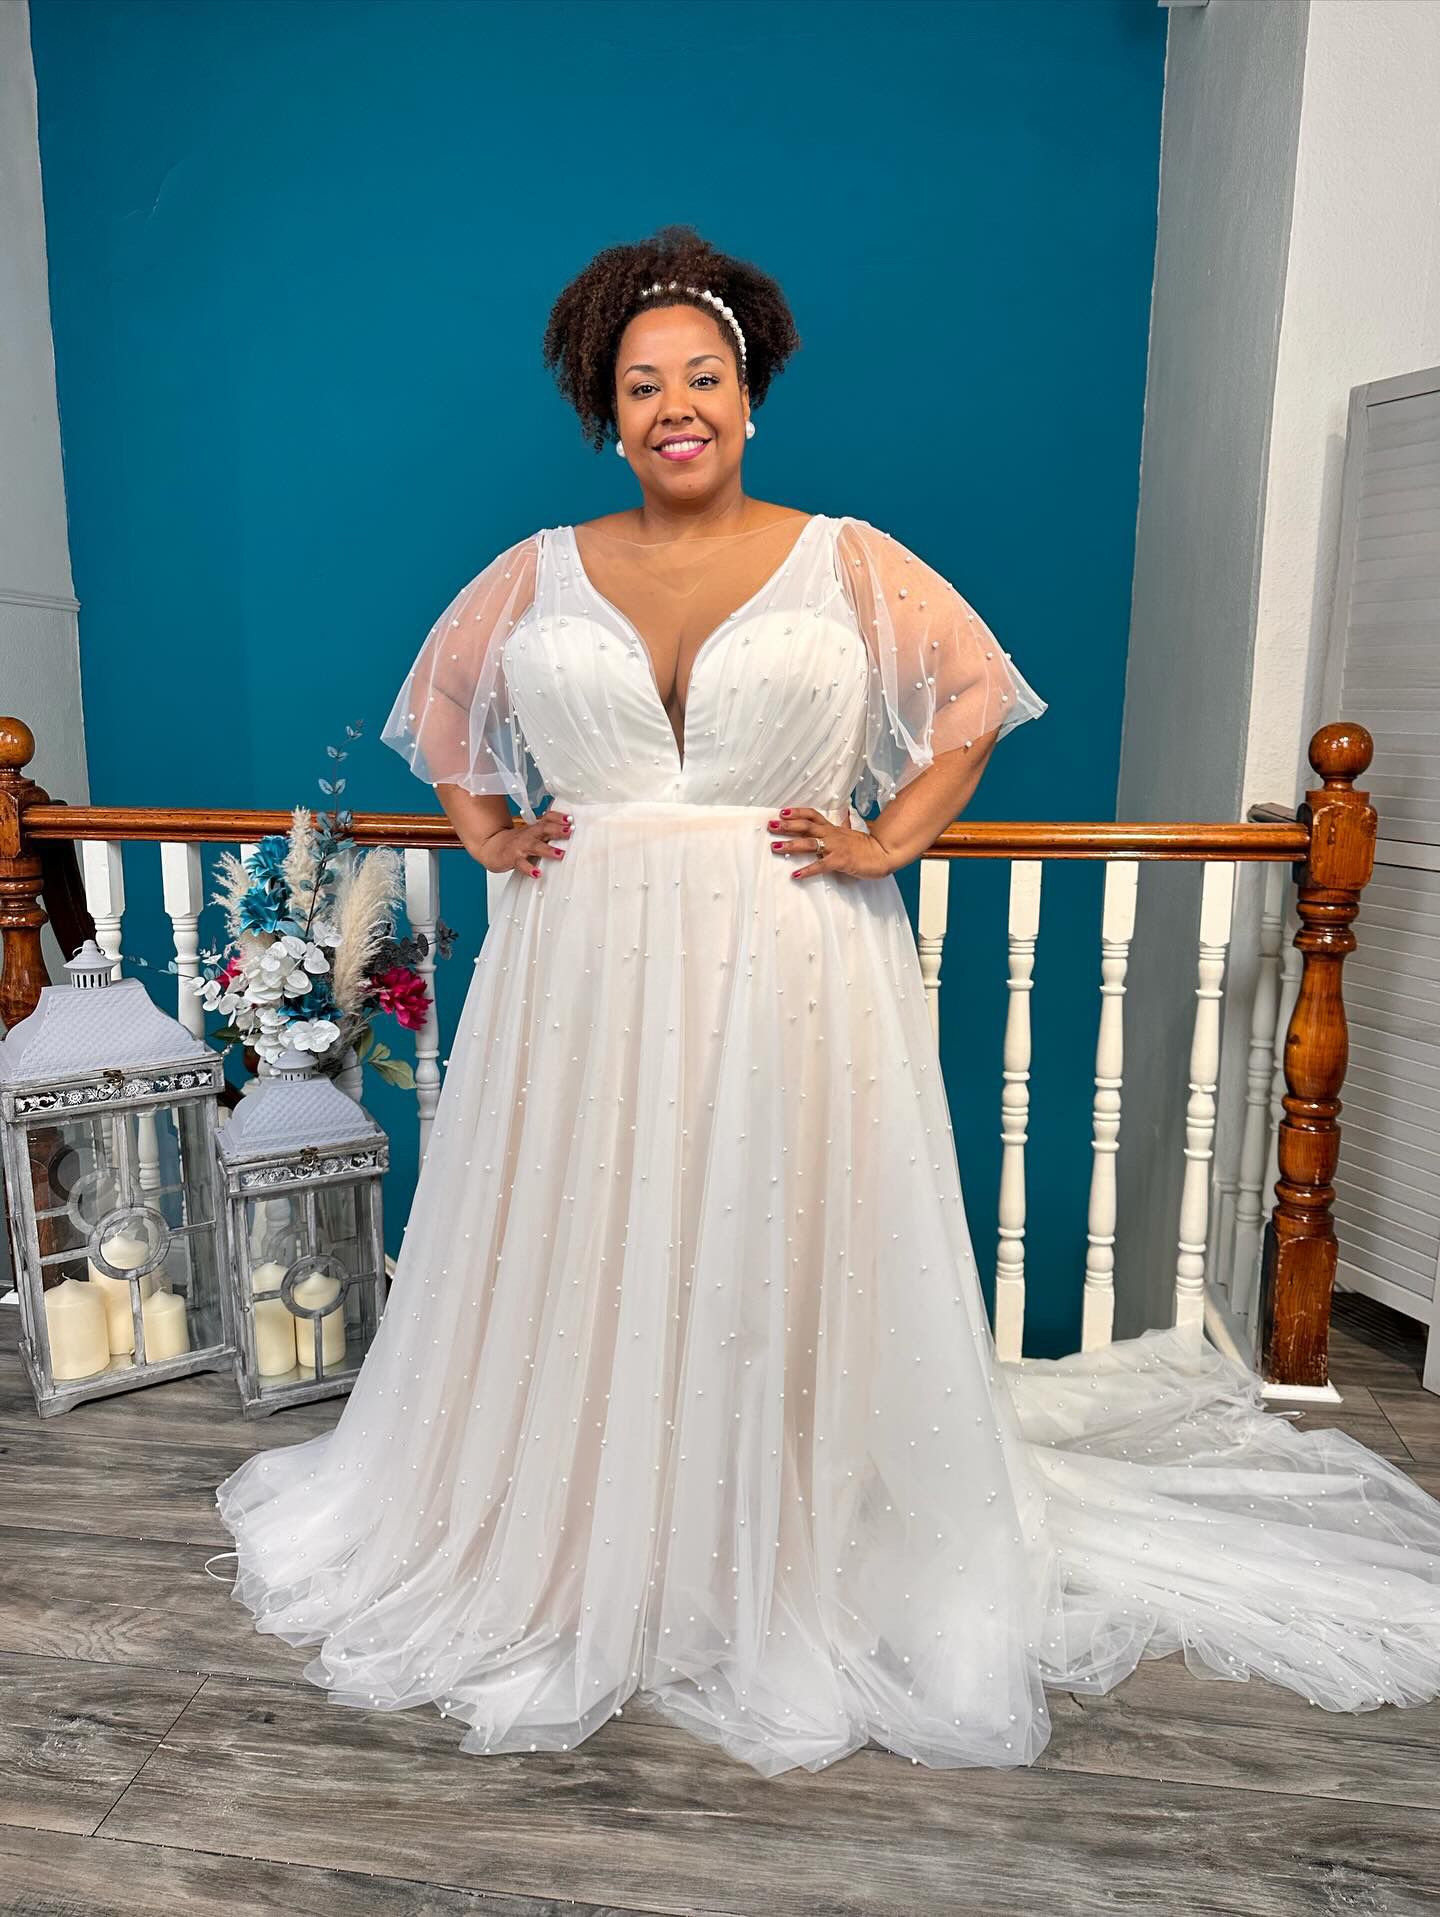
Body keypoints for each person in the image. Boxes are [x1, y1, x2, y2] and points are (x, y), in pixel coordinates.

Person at [214, 225, 1440, 1779]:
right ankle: (591, 1524)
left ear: (749, 394)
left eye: (702, 377)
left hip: (788, 952)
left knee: (769, 1223)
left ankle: (775, 1526)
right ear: (606, 409)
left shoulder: (844, 558)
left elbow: (973, 696)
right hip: (580, 963)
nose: (676, 406)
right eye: (642, 383)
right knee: (597, 1218)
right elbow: (447, 709)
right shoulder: (536, 569)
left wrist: (888, 837)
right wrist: (490, 831)